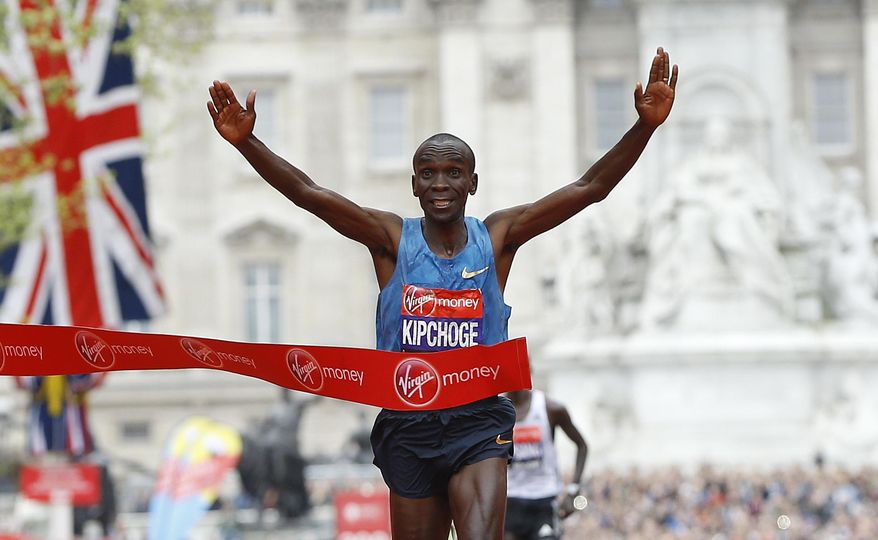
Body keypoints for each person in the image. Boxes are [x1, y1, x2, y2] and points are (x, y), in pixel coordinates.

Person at [207, 47, 677, 540]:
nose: (441, 184)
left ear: (472, 182)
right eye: (428, 173)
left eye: (453, 173)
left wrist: (643, 128)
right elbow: (310, 194)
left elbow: (589, 187)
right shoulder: (390, 239)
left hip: (478, 423)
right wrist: (248, 144)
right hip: (408, 424)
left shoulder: (497, 238)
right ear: (413, 184)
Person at [504, 389, 588, 540]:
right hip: (510, 500)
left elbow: (582, 446)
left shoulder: (551, 408)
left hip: (544, 499)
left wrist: (573, 490)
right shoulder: (496, 411)